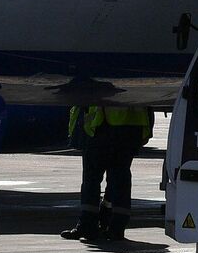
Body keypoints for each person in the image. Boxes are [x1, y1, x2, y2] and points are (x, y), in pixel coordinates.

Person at [61, 103, 155, 242]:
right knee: (115, 179)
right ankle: (111, 226)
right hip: (124, 127)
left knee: (96, 179)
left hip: (105, 127)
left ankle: (94, 225)